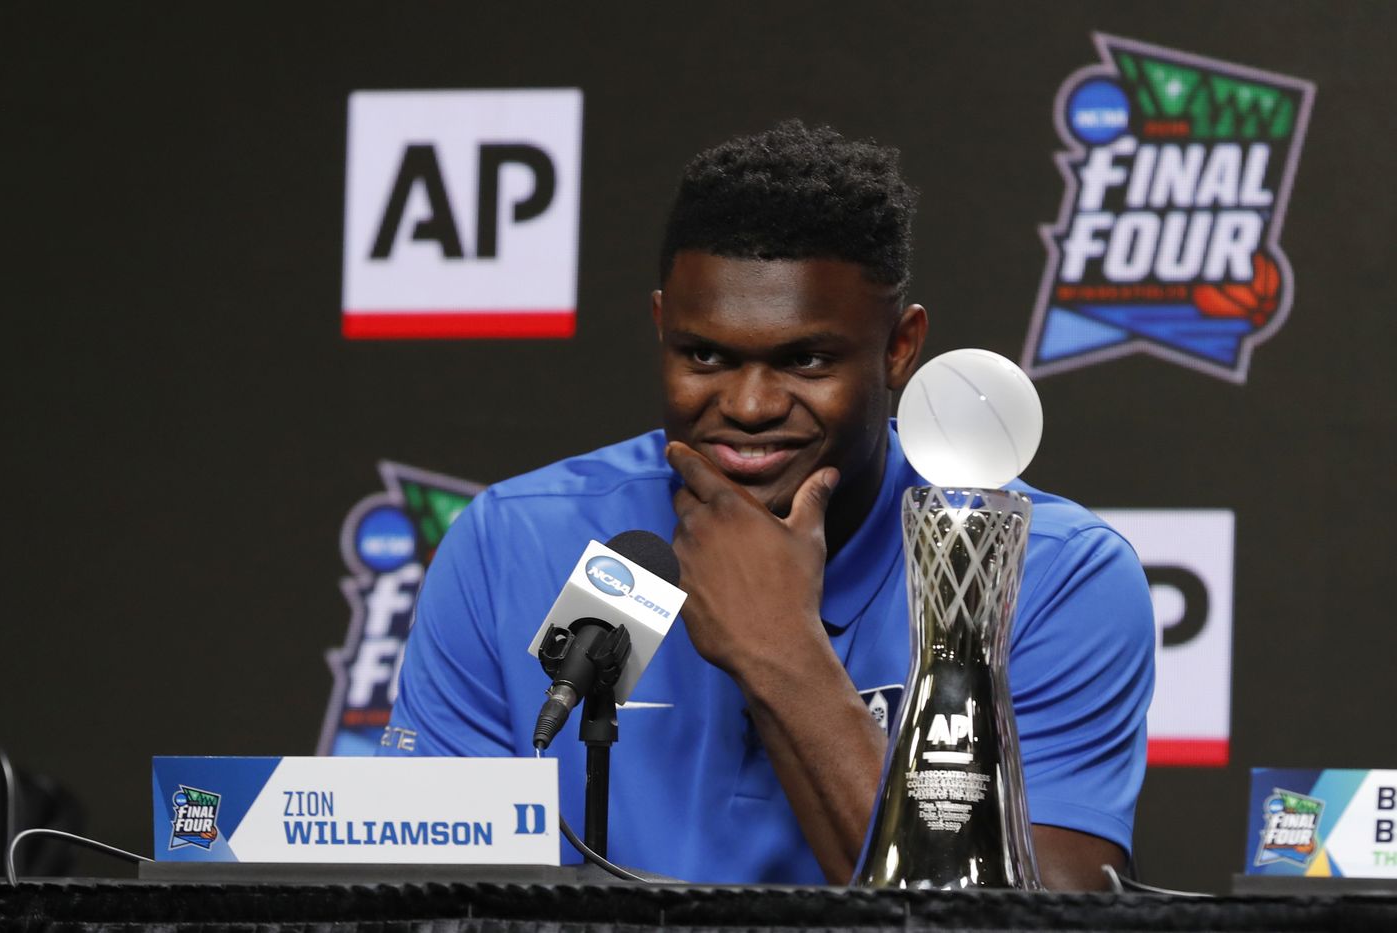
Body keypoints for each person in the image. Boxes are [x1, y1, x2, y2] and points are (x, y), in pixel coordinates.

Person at [379, 120, 1155, 890]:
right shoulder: (511, 541)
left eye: (806, 359)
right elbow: (421, 887)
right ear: (660, 327)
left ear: (899, 348)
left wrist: (778, 647)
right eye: (705, 354)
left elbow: (1048, 917)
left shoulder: (1051, 572)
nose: (748, 405)